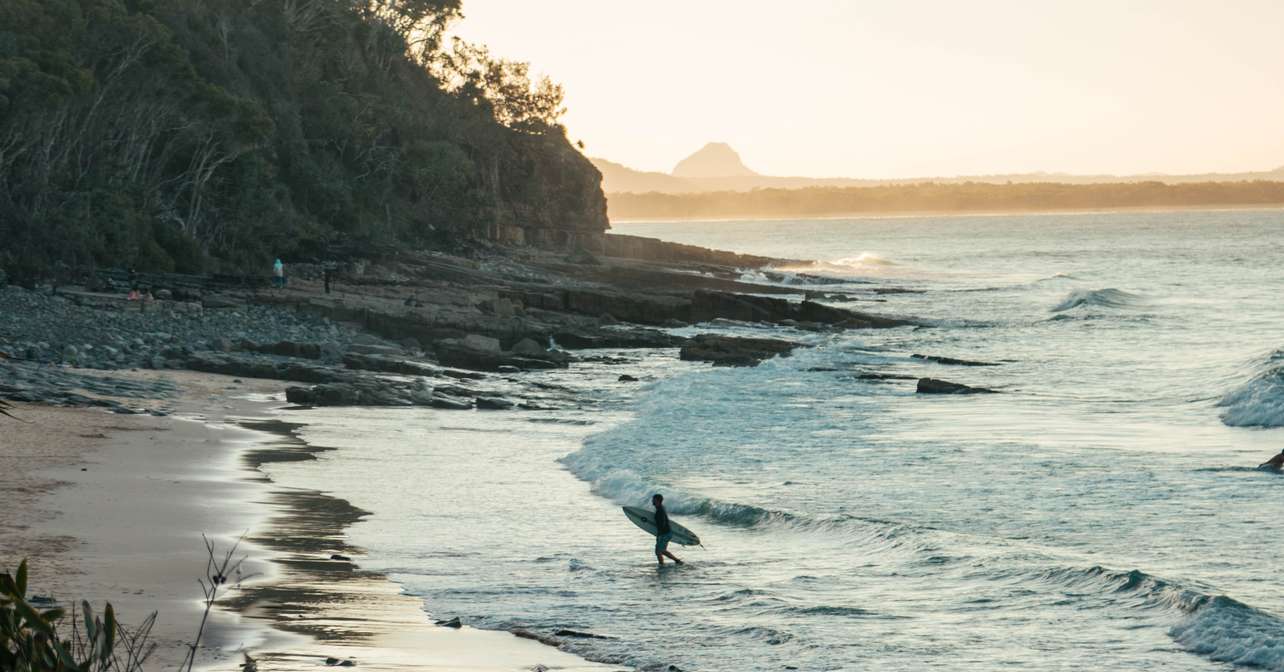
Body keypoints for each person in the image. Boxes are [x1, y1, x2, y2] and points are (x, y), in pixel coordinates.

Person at [652, 494, 683, 566]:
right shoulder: (660, 508)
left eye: (653, 499)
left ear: (657, 500)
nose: (652, 501)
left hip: (664, 534)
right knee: (662, 550)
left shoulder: (660, 510)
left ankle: (661, 565)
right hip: (665, 533)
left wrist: (660, 534)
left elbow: (662, 523)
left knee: (658, 551)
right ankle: (677, 561)